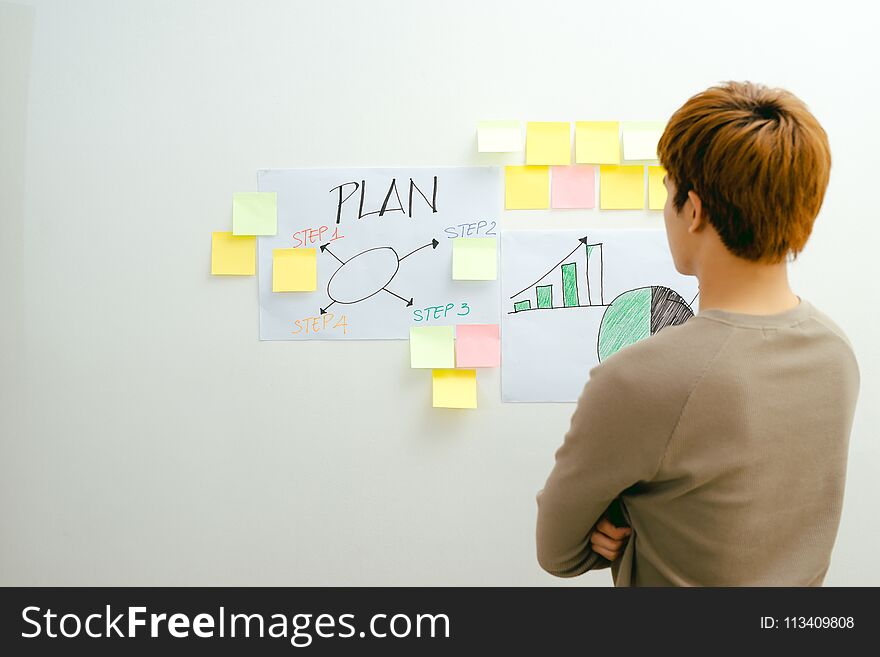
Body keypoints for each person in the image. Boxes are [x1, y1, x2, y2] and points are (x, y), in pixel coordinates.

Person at [535, 81, 861, 586]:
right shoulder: (836, 352)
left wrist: (625, 514)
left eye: (668, 194)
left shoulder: (636, 379)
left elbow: (558, 552)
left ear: (694, 208)